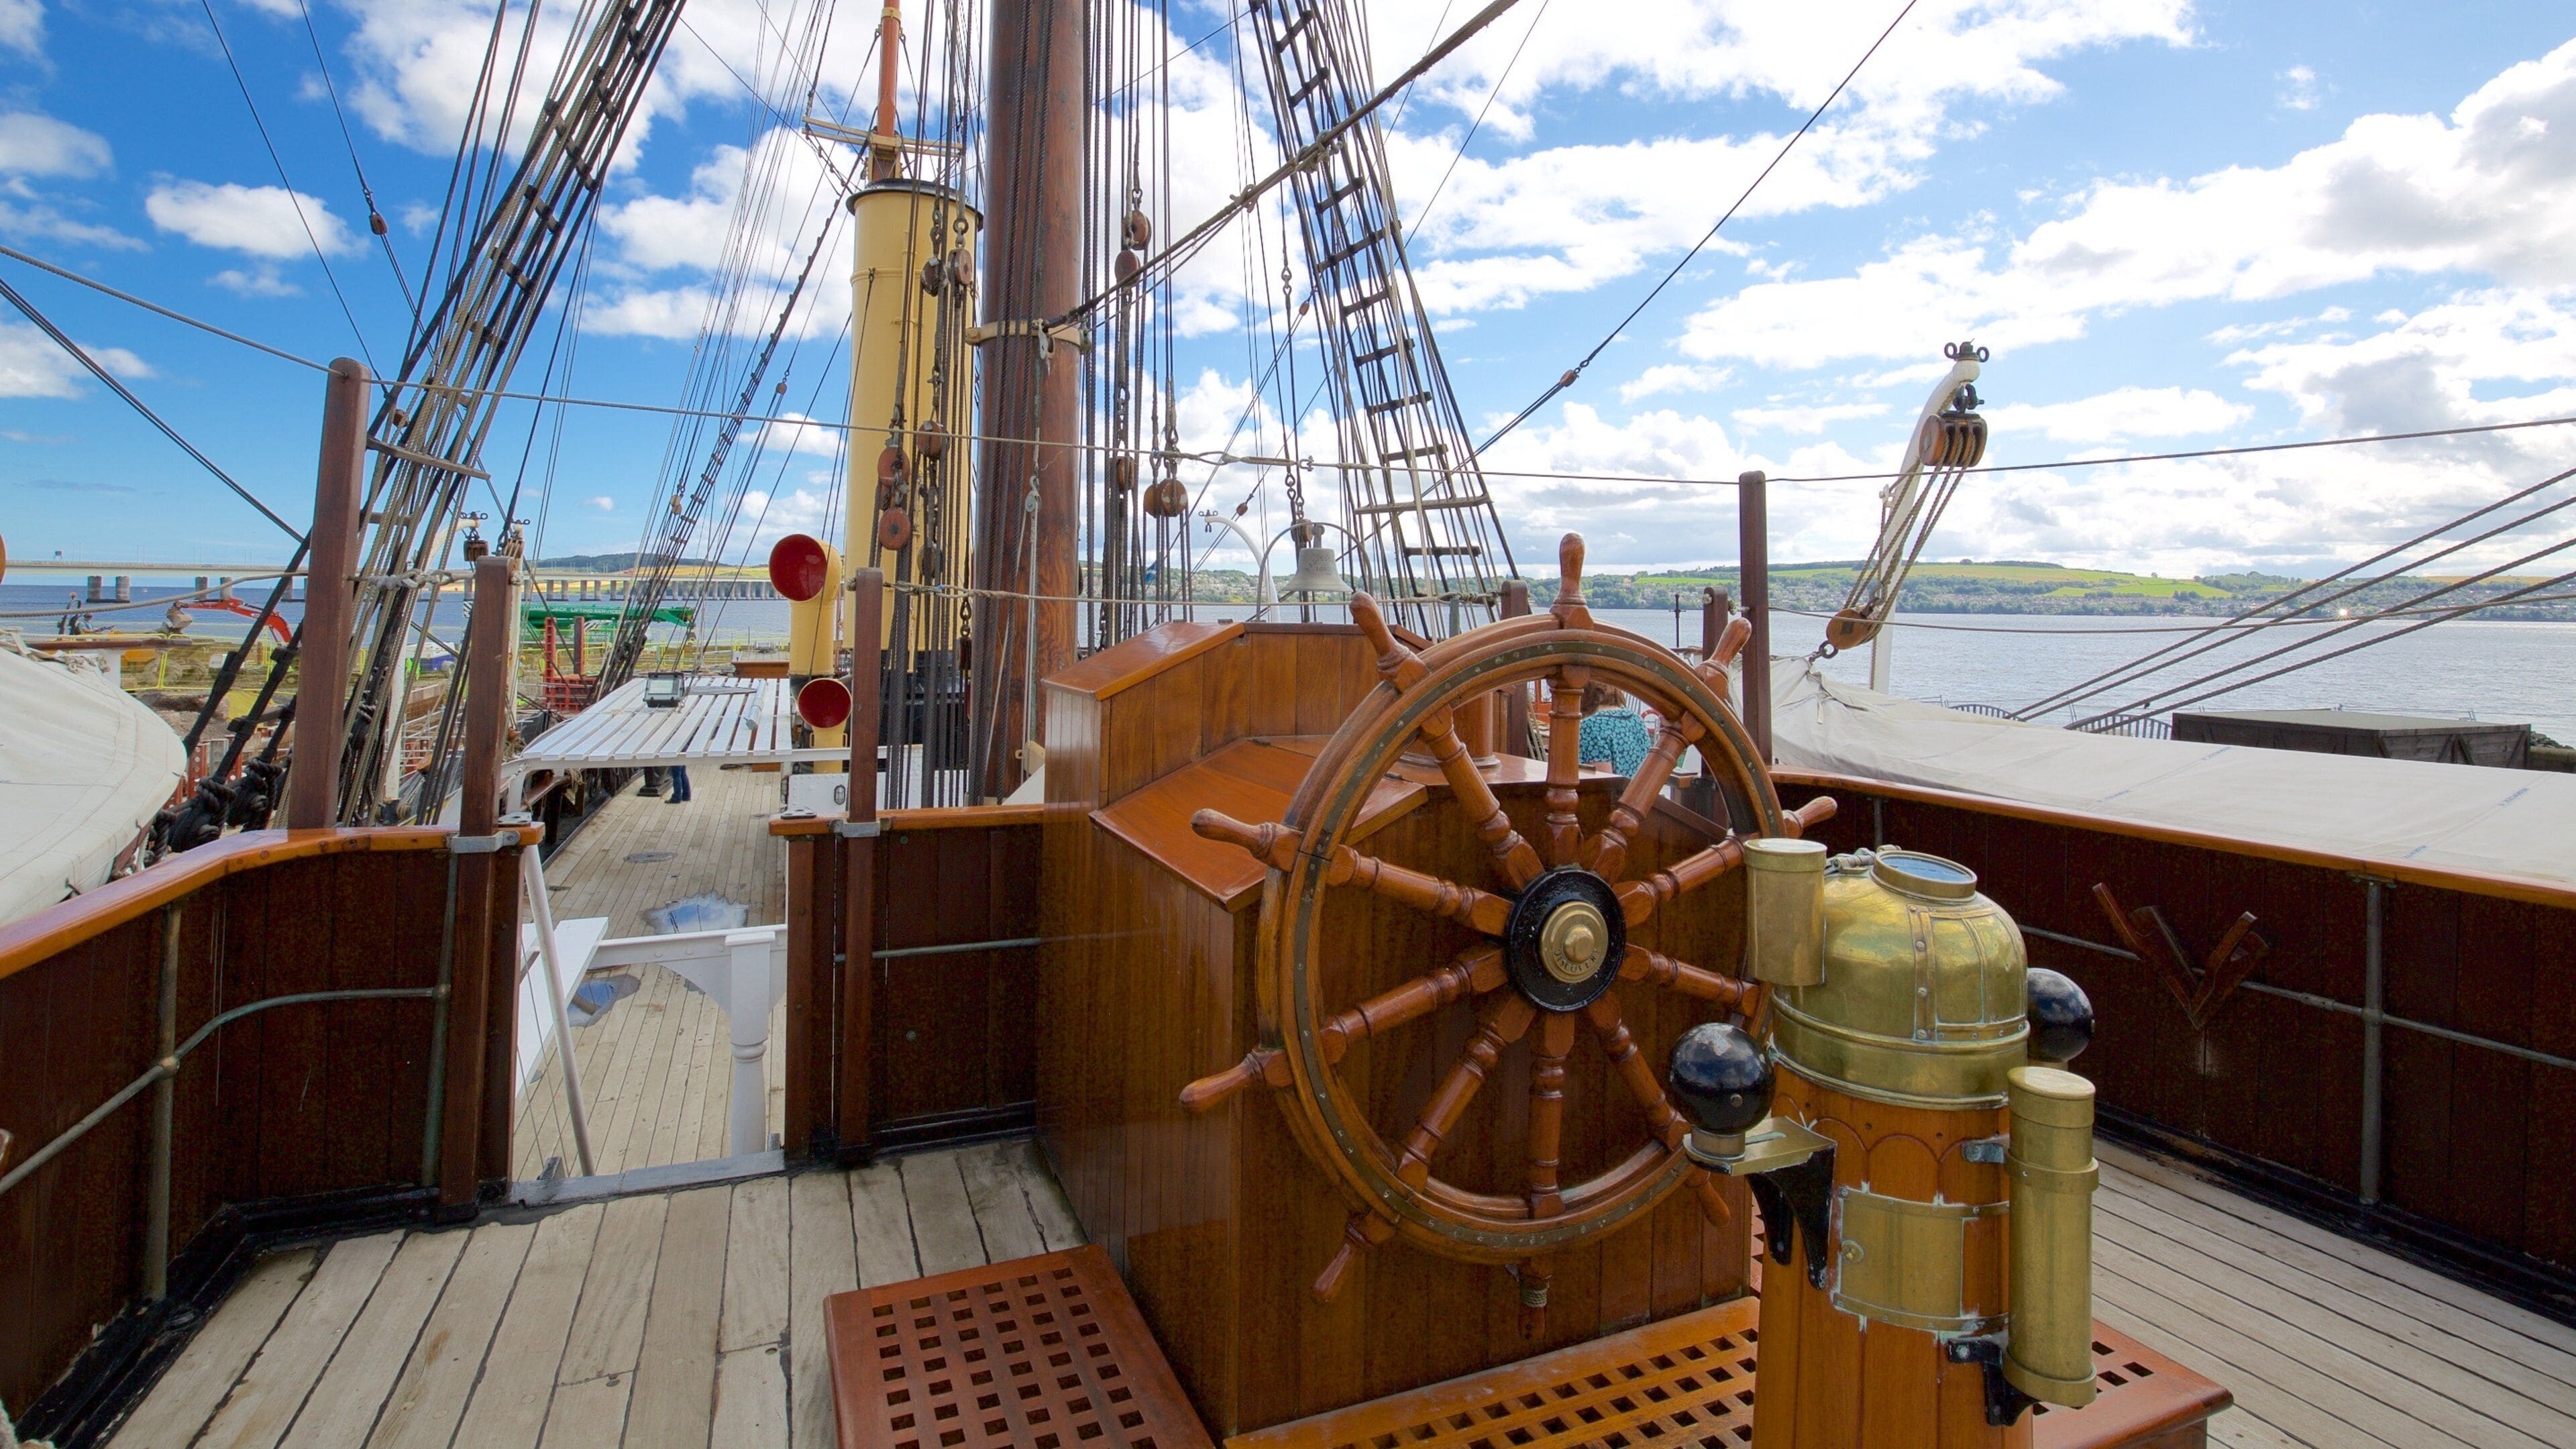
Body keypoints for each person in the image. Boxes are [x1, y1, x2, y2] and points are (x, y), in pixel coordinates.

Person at [1576, 682, 1653, 776]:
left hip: (1616, 790)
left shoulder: (1591, 726)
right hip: (1639, 790)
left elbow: (1602, 781)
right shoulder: (1637, 720)